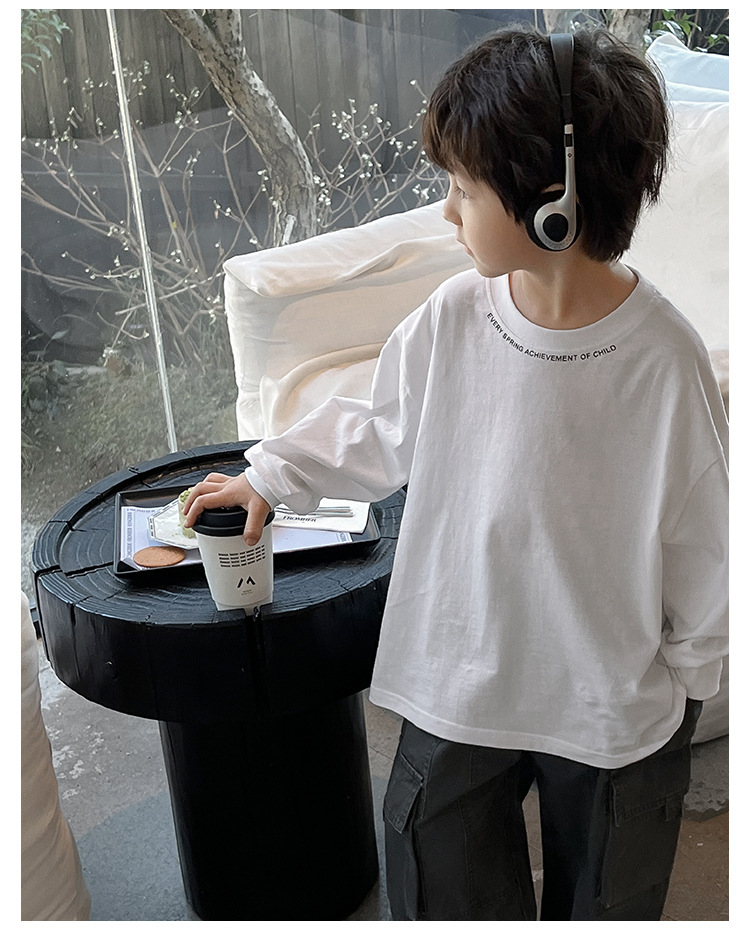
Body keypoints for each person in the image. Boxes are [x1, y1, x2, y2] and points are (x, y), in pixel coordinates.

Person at [183, 25, 728, 921]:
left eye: (463, 189)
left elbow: (706, 541)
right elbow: (374, 422)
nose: (445, 211)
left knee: (612, 888)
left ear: (553, 203)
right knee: (437, 867)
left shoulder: (664, 361)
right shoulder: (454, 318)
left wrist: (690, 677)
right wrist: (272, 476)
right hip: (462, 669)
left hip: (608, 697)